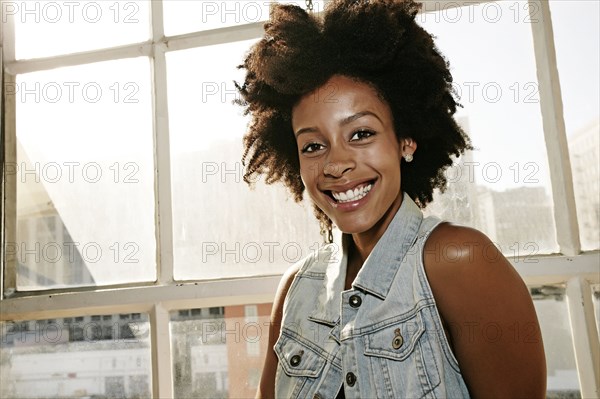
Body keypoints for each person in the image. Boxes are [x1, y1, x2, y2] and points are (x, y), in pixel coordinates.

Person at [235, 1, 547, 398]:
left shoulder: (459, 262)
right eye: (313, 145)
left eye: (361, 134)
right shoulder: (296, 288)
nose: (336, 164)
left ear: (406, 139)